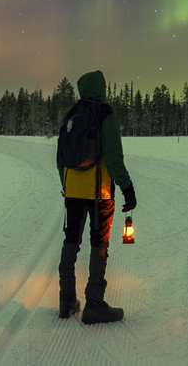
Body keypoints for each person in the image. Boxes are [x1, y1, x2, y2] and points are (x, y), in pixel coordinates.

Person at [57, 70, 137, 324]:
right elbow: (113, 158)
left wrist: (67, 185)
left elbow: (60, 158)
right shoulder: (105, 114)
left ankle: (66, 299)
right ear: (102, 88)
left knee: (71, 241)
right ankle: (94, 303)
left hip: (73, 191)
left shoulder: (71, 114)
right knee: (98, 243)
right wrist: (127, 188)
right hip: (99, 193)